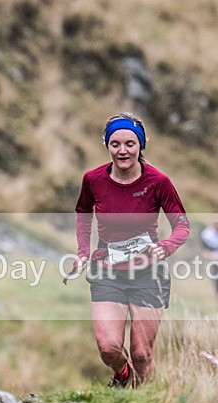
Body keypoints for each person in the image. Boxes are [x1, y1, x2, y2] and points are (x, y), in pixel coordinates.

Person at [74, 112, 190, 388]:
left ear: (141, 145)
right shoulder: (93, 180)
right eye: (115, 144)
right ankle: (121, 376)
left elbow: (182, 225)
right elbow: (83, 212)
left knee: (141, 353)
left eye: (130, 144)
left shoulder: (158, 181)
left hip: (148, 273)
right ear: (107, 145)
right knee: (108, 348)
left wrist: (166, 246)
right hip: (107, 270)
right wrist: (82, 252)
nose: (122, 151)